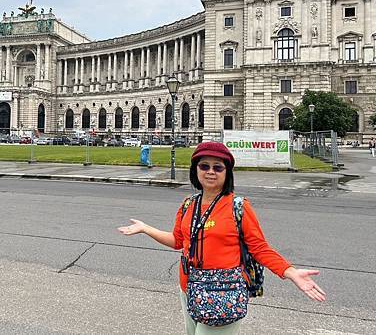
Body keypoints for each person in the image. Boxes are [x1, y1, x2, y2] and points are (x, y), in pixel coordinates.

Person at [118, 141, 325, 334]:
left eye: (218, 167)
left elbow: (259, 248)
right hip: (189, 287)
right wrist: (145, 228)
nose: (210, 172)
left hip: (223, 291)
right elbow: (178, 242)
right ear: (195, 170)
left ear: (227, 173)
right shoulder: (188, 205)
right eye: (204, 166)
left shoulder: (238, 206)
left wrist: (290, 272)